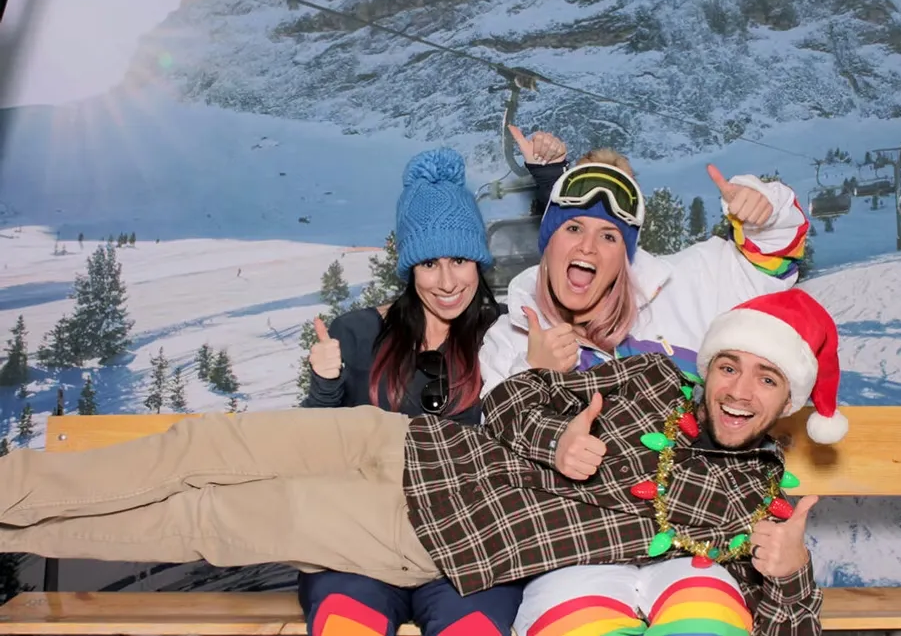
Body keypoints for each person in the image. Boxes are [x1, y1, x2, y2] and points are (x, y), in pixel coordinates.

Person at [0, 289, 843, 636]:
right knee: (199, 446)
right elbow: (515, 399)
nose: (738, 389)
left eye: (766, 378)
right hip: (406, 441)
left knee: (206, 520)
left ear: (788, 401)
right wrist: (555, 437)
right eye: (731, 364)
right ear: (712, 362)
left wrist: (792, 570)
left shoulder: (756, 497)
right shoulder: (649, 374)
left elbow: (778, 625)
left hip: (430, 530)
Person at [485, 131, 820, 634]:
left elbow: (770, 262)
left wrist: (764, 208)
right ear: (549, 241)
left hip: (692, 552)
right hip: (575, 560)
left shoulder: (685, 286)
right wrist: (534, 377)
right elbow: (492, 467)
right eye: (572, 227)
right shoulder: (509, 337)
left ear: (629, 254)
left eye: (610, 237)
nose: (589, 247)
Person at [298, 147, 522, 636]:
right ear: (409, 270)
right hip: (361, 549)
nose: (447, 282)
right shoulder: (359, 334)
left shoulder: (503, 337)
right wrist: (326, 384)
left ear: (479, 263)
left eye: (460, 260)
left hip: (470, 553)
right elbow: (315, 448)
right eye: (429, 263)